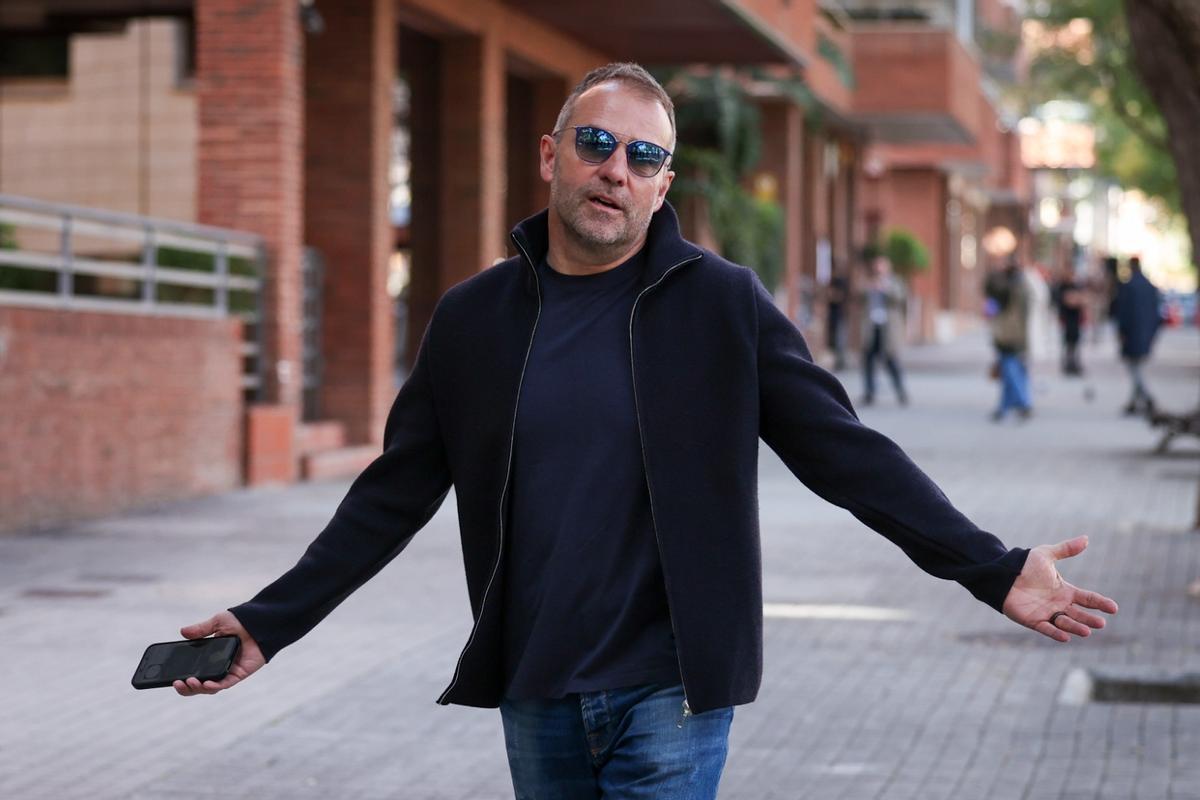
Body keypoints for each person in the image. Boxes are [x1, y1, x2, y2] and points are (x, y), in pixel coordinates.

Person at [172, 64, 1118, 799]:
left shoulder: (720, 306)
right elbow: (389, 498)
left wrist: (989, 567)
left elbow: (845, 453)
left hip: (671, 684)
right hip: (534, 681)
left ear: (663, 185)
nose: (615, 171)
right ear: (551, 155)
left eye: (644, 158)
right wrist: (269, 623)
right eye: (596, 143)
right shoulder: (474, 321)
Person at [985, 258, 1033, 421]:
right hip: (1015, 333)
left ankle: (1023, 402)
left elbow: (990, 288)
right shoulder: (1022, 285)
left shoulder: (1012, 287)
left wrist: (997, 272)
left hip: (1009, 334)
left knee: (1010, 368)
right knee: (1010, 369)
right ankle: (1004, 407)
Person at [1114, 255, 1163, 416]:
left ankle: (1147, 397)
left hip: (1132, 334)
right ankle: (1134, 402)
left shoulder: (1129, 287)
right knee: (1137, 367)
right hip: (1146, 334)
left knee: (1134, 368)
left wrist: (1121, 332)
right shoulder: (1150, 287)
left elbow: (1123, 313)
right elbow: (1157, 315)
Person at [858, 255, 908, 406]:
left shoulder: (895, 282)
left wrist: (885, 289)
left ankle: (901, 391)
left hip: (888, 328)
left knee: (891, 361)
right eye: (876, 267)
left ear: (888, 268)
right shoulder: (869, 282)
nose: (878, 270)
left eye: (881, 267)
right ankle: (869, 392)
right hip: (872, 327)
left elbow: (900, 298)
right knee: (868, 360)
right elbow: (859, 296)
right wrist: (868, 287)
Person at [1052, 261, 1086, 376]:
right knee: (1067, 343)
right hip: (1067, 319)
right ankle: (1068, 365)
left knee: (1076, 343)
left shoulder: (1076, 286)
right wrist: (1074, 299)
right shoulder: (1062, 286)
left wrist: (1075, 299)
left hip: (1076, 319)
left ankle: (1074, 364)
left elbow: (1082, 300)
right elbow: (1067, 301)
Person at [825, 265, 849, 371]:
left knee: (839, 339)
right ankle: (837, 361)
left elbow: (838, 297)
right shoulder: (832, 281)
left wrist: (832, 294)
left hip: (839, 315)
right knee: (834, 339)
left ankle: (840, 362)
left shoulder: (841, 281)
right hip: (833, 314)